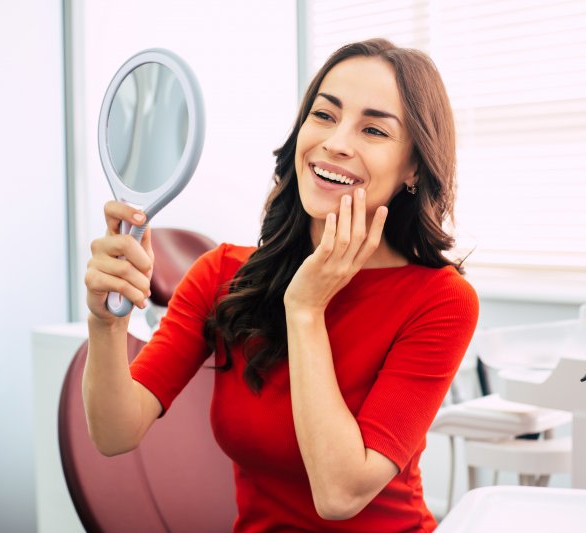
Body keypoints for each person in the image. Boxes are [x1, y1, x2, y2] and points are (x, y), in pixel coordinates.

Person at [83, 38, 479, 532]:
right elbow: (113, 433)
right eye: (324, 115)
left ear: (414, 168)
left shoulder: (440, 302)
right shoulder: (221, 275)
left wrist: (307, 310)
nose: (337, 142)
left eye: (374, 128)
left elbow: (339, 493)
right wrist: (104, 325)